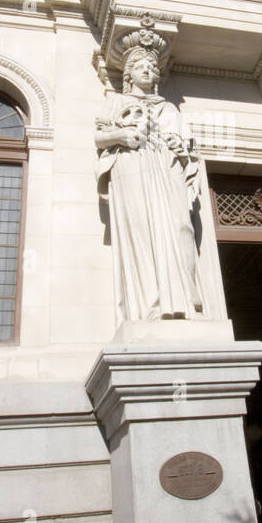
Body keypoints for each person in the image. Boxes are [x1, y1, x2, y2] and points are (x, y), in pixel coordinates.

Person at [95, 22, 204, 322]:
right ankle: (150, 304)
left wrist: (178, 147)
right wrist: (121, 137)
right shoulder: (116, 101)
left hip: (167, 170)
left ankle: (186, 298)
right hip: (131, 169)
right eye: (140, 66)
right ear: (128, 73)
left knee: (182, 226)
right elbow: (99, 138)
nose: (146, 70)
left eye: (151, 67)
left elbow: (188, 151)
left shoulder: (169, 108)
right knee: (141, 232)